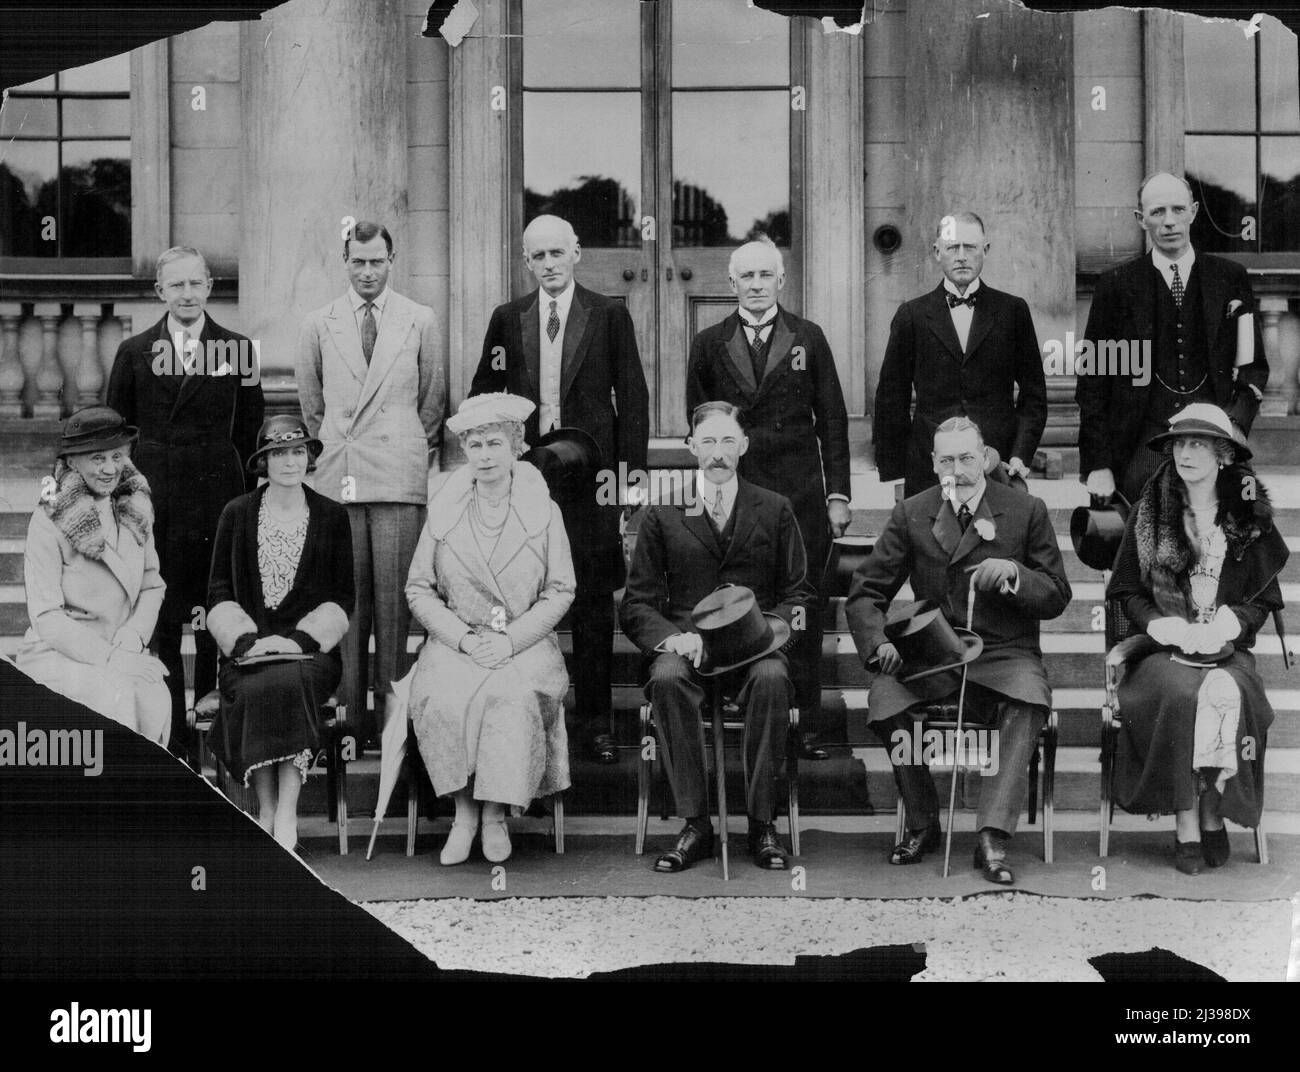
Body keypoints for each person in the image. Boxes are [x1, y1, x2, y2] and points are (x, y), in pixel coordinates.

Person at [846, 416, 1071, 885]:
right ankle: (924, 820)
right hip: (936, 650)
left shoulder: (1025, 509)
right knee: (885, 700)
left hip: (1004, 652)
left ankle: (992, 833)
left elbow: (1056, 593)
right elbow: (866, 591)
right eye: (946, 459)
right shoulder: (913, 512)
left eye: (967, 458)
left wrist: (1013, 574)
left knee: (1029, 700)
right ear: (932, 463)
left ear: (985, 457)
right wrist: (879, 641)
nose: (958, 468)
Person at [470, 213, 649, 765]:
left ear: (576, 255)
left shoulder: (609, 315)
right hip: (525, 481)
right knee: (523, 597)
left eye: (557, 254)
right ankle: (533, 724)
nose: (548, 264)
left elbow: (633, 400)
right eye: (537, 256)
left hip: (591, 482)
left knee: (592, 601)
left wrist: (628, 482)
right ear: (526, 261)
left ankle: (594, 721)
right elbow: (484, 394)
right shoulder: (508, 319)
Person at [620, 402, 812, 872]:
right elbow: (637, 603)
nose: (719, 453)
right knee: (666, 678)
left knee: (771, 678)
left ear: (744, 446)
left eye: (728, 441)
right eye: (708, 442)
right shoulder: (663, 513)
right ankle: (695, 823)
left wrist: (768, 632)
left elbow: (800, 594)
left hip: (756, 645)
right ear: (691, 447)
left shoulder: (775, 507)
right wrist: (673, 638)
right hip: (689, 646)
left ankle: (762, 823)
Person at [686, 236, 851, 761]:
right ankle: (735, 704)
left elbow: (834, 420)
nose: (756, 286)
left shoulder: (809, 337)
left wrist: (838, 495)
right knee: (737, 595)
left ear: (781, 281)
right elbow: (701, 425)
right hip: (738, 493)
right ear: (731, 284)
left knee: (801, 602)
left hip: (800, 492)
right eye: (746, 278)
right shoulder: (710, 343)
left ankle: (804, 721)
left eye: (765, 276)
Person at [1106, 404, 1286, 875]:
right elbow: (1126, 590)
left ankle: (1212, 807)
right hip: (1162, 652)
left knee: (1230, 692)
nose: (1184, 454)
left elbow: (1262, 600)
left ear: (1223, 455)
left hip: (1227, 651)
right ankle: (1187, 819)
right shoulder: (1152, 510)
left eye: (1197, 445)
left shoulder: (1247, 515)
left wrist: (1231, 623)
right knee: (1183, 695)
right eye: (1179, 444)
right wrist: (1160, 625)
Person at [106, 245, 265, 759]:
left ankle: (220, 740)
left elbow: (250, 430)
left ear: (210, 288)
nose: (187, 294)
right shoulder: (134, 352)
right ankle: (174, 742)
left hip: (217, 503)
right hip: (160, 506)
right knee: (168, 622)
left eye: (196, 283)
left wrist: (237, 494)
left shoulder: (239, 350)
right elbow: (117, 433)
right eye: (176, 285)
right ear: (159, 292)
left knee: (220, 614)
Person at [405, 393, 575, 865]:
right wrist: (460, 638)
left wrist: (510, 640)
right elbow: (419, 589)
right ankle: (463, 814)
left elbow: (561, 590)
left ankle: (497, 813)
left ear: (517, 446)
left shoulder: (544, 510)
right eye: (474, 444)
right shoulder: (444, 509)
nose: (483, 455)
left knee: (510, 694)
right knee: (443, 694)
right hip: (457, 640)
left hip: (524, 641)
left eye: (494, 443)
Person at [296, 219, 445, 747]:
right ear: (345, 262)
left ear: (391, 261)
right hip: (341, 475)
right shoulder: (319, 322)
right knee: (349, 603)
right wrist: (339, 448)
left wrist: (406, 447)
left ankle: (392, 722)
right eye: (357, 261)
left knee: (396, 604)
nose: (367, 272)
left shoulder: (419, 319)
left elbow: (431, 402)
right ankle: (351, 722)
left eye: (376, 261)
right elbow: (311, 407)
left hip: (399, 476)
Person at [205, 415, 355, 852]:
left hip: (311, 654)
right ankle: (265, 810)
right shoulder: (236, 513)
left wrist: (297, 642)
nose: (289, 461)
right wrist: (248, 643)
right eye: (278, 453)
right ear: (262, 462)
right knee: (256, 686)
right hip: (245, 649)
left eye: (297, 452)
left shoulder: (331, 515)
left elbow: (343, 596)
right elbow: (217, 590)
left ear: (308, 457)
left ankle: (286, 811)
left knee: (290, 681)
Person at [1077, 172, 1269, 504]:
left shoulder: (1229, 278)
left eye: (1178, 210)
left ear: (1194, 211)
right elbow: (1094, 383)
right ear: (1141, 219)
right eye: (1157, 212)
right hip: (1144, 442)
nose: (1169, 222)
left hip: (1216, 438)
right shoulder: (1117, 286)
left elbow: (1253, 369)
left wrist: (1233, 431)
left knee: (1250, 515)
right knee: (1145, 512)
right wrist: (1099, 465)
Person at [15, 405, 170, 744]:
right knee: (112, 695)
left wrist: (133, 637)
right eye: (97, 458)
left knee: (154, 695)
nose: (110, 468)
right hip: (62, 654)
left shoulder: (136, 506)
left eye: (117, 456)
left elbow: (152, 583)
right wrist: (111, 658)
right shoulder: (50, 517)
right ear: (72, 461)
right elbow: (46, 616)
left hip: (121, 645)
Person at [873, 212, 1046, 498]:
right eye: (953, 248)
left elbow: (1034, 395)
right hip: (929, 468)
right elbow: (891, 398)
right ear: (937, 252)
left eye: (971, 247)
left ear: (985, 251)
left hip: (994, 463)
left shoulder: (1012, 311)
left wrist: (1019, 455)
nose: (962, 256)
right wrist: (897, 472)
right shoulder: (912, 315)